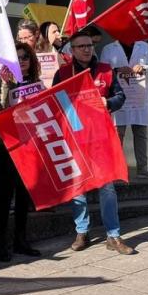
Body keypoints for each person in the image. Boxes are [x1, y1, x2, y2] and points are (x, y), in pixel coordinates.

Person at [54, 30, 133, 255]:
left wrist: (106, 102)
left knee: (107, 187)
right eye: (81, 46)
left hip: (101, 137)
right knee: (78, 187)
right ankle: (82, 231)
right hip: (75, 137)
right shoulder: (63, 73)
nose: (87, 49)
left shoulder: (106, 70)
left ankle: (113, 235)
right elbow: (56, 102)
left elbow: (120, 97)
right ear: (72, 50)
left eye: (89, 45)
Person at [0, 42, 42, 262]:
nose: (21, 61)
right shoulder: (3, 83)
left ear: (31, 61)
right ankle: (1, 243)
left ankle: (20, 241)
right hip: (8, 146)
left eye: (25, 57)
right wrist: (5, 84)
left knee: (24, 195)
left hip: (30, 145)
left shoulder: (38, 84)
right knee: (5, 196)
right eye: (18, 57)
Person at [101, 38, 148, 179]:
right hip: (119, 96)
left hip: (138, 96)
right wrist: (116, 70)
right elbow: (102, 70)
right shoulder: (109, 48)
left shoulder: (143, 45)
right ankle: (118, 170)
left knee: (141, 133)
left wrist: (143, 67)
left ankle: (143, 168)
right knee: (118, 135)